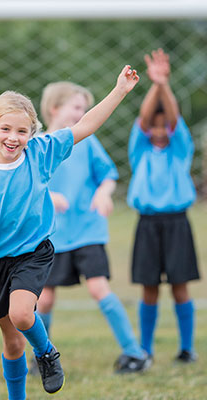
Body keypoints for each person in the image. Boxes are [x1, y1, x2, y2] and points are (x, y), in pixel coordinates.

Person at [0, 65, 139, 399]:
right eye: (5, 128)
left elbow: (87, 124)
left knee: (23, 316)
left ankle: (48, 353)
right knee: (11, 343)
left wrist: (120, 90)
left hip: (34, 252)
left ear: (32, 132)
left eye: (22, 131)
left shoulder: (41, 152)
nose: (13, 137)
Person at [34, 81, 150, 374]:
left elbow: (108, 175)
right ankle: (42, 357)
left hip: (87, 230)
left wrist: (104, 192)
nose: (82, 113)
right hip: (51, 236)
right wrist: (48, 195)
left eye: (84, 109)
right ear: (54, 109)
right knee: (44, 298)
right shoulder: (38, 146)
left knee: (100, 288)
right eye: (76, 107)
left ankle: (134, 353)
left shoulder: (87, 141)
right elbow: (28, 186)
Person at [127, 49, 199, 364]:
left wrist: (164, 85)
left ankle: (186, 349)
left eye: (163, 127)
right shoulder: (140, 151)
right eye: (152, 127)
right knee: (149, 288)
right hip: (147, 223)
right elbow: (144, 118)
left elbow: (173, 117)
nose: (158, 131)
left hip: (177, 222)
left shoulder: (179, 150)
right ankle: (146, 348)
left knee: (180, 288)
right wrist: (153, 86)